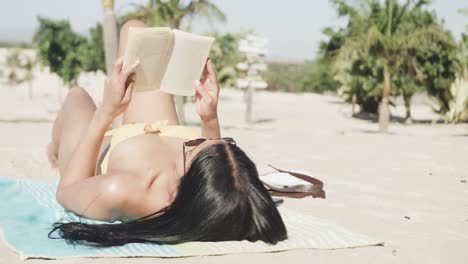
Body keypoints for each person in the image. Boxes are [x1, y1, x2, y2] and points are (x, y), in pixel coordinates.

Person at [47, 20, 287, 246]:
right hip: (154, 129)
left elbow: (66, 191)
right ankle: (119, 113)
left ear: (194, 180)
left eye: (202, 147)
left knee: (77, 95)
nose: (210, 141)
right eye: (223, 143)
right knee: (135, 31)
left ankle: (54, 150)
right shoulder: (215, 187)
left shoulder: (125, 191)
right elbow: (221, 173)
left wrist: (105, 113)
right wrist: (209, 117)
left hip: (102, 148)